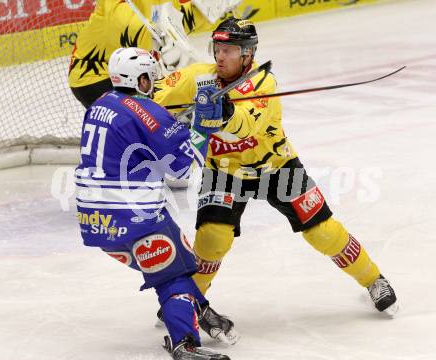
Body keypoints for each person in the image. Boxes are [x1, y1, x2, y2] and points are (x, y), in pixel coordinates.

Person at [153, 17, 398, 316]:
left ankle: (374, 279)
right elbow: (153, 95)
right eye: (217, 48)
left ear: (247, 54)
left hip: (276, 167)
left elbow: (244, 127)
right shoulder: (199, 77)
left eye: (229, 50)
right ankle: (187, 307)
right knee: (212, 238)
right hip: (225, 172)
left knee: (323, 232)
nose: (220, 56)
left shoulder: (263, 83)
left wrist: (224, 112)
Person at [75, 46, 237, 360]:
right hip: (132, 215)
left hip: (94, 220)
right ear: (140, 79)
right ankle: (185, 345)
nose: (154, 82)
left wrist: (173, 126)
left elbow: (139, 134)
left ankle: (200, 309)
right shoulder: (150, 114)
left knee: (177, 257)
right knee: (171, 275)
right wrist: (202, 124)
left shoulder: (99, 104)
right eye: (150, 77)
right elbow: (180, 169)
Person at [68, 0, 240, 109]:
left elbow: (178, 21)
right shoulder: (114, 7)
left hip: (128, 70)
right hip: (94, 79)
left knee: (175, 93)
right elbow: (146, 35)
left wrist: (208, 9)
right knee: (162, 107)